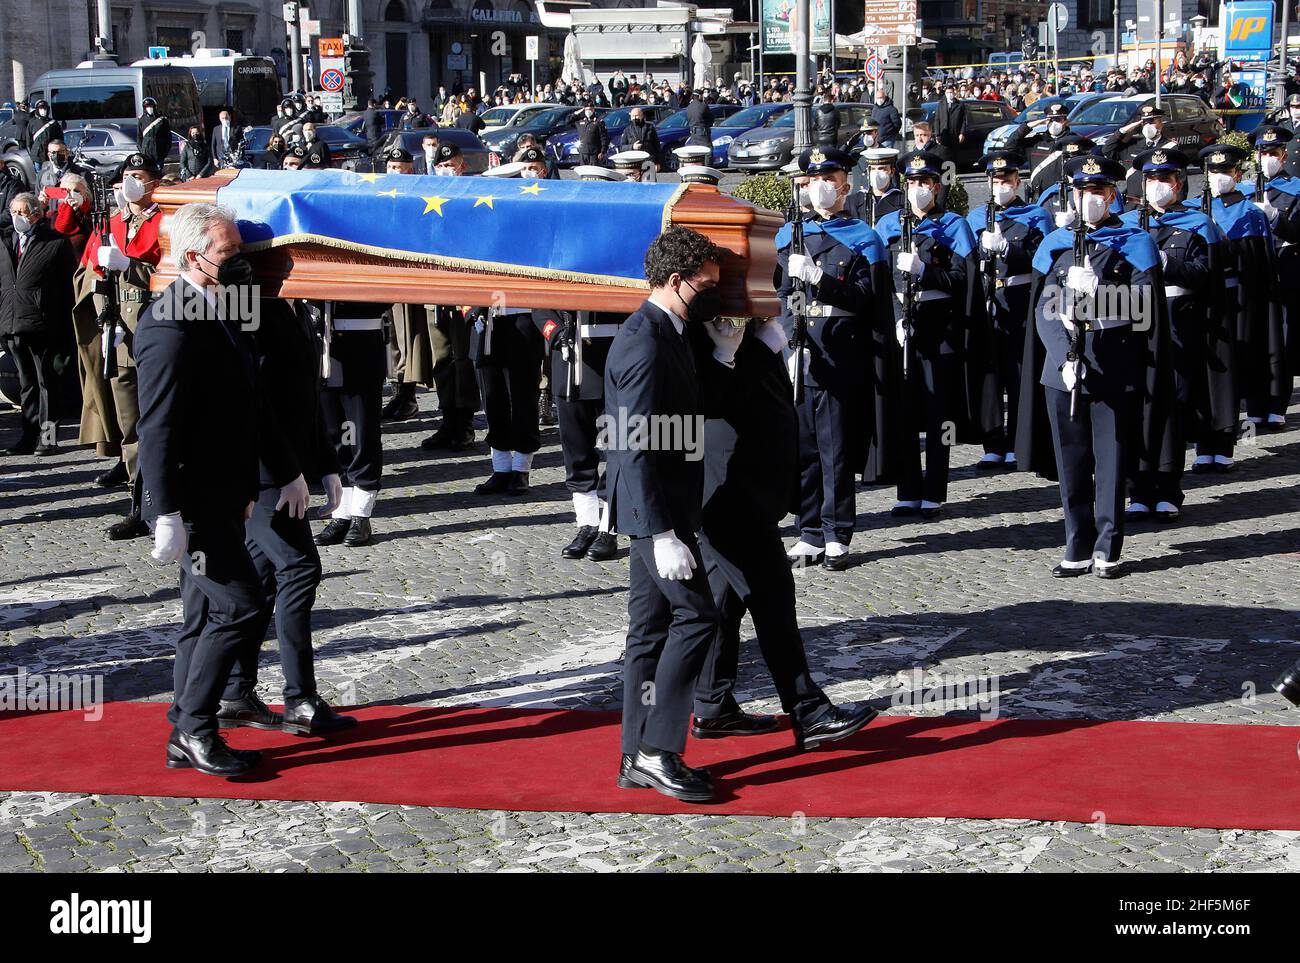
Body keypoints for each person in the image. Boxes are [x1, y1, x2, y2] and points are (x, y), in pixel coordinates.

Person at [687, 310, 879, 749]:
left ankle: (712, 705)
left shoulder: (747, 318)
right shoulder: (711, 320)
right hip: (729, 485)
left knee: (725, 598)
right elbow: (717, 393)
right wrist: (760, 347)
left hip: (749, 482)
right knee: (772, 595)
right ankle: (807, 708)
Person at [136, 202, 265, 777]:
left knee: (200, 614)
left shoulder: (216, 308)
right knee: (240, 605)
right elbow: (157, 425)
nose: (239, 263)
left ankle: (181, 731)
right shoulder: (170, 324)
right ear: (194, 257)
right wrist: (164, 512)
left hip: (222, 493)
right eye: (229, 253)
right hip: (190, 501)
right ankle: (193, 725)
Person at [606, 226, 724, 803]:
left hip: (667, 507)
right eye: (705, 287)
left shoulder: (670, 329)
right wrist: (660, 533)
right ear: (675, 282)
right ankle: (657, 750)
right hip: (655, 514)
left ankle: (636, 752)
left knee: (649, 630)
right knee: (698, 617)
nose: (713, 297)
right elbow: (631, 446)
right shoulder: (645, 343)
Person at [1018, 154, 1174, 580]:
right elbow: (1043, 311)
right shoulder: (1056, 243)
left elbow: (1144, 310)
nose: (1089, 199)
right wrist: (1060, 357)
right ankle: (1076, 541)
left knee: (1109, 461)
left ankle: (1108, 543)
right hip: (1064, 371)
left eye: (1097, 192)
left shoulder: (1135, 242)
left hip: (1112, 366)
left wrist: (1101, 292)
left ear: (1112, 195)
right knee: (1071, 463)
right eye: (1082, 192)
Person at [215, 293, 357, 737]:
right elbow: (253, 404)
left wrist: (327, 464)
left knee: (260, 581)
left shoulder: (296, 307)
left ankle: (236, 694)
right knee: (299, 570)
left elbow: (304, 398)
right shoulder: (256, 307)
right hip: (264, 472)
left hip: (288, 466)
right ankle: (300, 699)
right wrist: (286, 472)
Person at [779, 147, 894, 568]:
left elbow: (868, 300)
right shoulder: (792, 234)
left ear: (845, 185)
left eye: (830, 178)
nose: (821, 188)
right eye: (814, 180)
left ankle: (836, 531)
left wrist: (820, 279)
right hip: (801, 351)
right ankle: (808, 530)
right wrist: (784, 345)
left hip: (841, 351)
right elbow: (778, 296)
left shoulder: (864, 238)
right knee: (803, 448)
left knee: (835, 448)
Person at [1121, 146, 1229, 521]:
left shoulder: (1198, 224)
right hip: (1134, 322)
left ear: (1179, 184)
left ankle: (1168, 488)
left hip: (1178, 320)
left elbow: (1206, 276)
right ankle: (1136, 489)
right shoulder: (1127, 224)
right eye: (1151, 180)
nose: (1157, 186)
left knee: (1172, 409)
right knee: (1135, 406)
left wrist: (1166, 263)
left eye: (1164, 180)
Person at [875, 150, 981, 519]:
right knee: (904, 412)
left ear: (936, 186)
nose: (919, 189)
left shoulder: (954, 226)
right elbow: (878, 281)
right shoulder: (889, 225)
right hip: (903, 326)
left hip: (939, 326)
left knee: (939, 414)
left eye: (925, 183)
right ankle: (907, 489)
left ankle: (935, 487)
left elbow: (963, 280)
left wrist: (924, 270)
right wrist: (894, 317)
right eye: (913, 183)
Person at [966, 150, 1051, 470]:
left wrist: (1009, 249)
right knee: (990, 374)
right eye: (996, 180)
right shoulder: (977, 218)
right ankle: (992, 442)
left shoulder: (1034, 216)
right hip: (989, 300)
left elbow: (1042, 260)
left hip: (1019, 298)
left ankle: (1018, 439)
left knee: (1018, 374)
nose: (1001, 185)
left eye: (1007, 180)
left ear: (1017, 181)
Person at [95, 153, 164, 541]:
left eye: (138, 176)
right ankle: (138, 502)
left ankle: (163, 497)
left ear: (154, 181)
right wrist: (106, 316)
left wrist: (129, 265)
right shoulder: (116, 222)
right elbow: (101, 277)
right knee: (130, 423)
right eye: (127, 176)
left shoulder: (164, 220)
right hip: (121, 333)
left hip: (155, 331)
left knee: (158, 419)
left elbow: (168, 274)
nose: (131, 183)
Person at [1196, 141, 1277, 467]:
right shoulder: (1194, 210)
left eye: (1225, 171)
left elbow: (1261, 267)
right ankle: (1204, 445)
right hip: (1201, 302)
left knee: (1231, 374)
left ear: (1237, 173)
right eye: (1214, 171)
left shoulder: (1249, 213)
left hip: (1238, 299)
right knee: (1204, 374)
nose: (1219, 177)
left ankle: (1229, 442)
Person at [0, 192, 75, 455]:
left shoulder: (55, 243)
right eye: (14, 212)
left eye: (23, 212)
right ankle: (28, 435)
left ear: (36, 214)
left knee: (47, 384)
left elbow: (68, 288)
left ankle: (49, 438)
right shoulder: (5, 241)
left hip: (44, 324)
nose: (18, 217)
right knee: (26, 384)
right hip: (12, 323)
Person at [420, 142, 480, 452]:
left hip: (463, 289)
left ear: (463, 166)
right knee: (441, 356)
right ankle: (447, 419)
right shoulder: (428, 198)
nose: (447, 170)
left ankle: (465, 422)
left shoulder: (473, 196)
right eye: (442, 166)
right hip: (435, 288)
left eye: (452, 165)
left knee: (462, 357)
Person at [1242, 126, 1299, 431]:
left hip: (1285, 273)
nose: (1267, 159)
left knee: (1284, 342)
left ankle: (1277, 403)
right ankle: (1255, 403)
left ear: (1284, 155)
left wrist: (1275, 217)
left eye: (1273, 153)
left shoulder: (1296, 190)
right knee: (1254, 341)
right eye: (1263, 153)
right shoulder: (1247, 191)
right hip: (1253, 275)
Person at [846, 147, 902, 226]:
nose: (876, 173)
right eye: (873, 169)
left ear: (892, 172)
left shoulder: (902, 200)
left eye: (881, 168)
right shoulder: (854, 201)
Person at [24, 100, 63, 175]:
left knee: (52, 176)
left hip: (51, 155)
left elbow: (60, 139)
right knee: (39, 176)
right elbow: (28, 141)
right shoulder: (32, 122)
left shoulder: (54, 123)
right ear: (37, 109)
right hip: (37, 155)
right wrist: (32, 155)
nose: (43, 110)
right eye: (41, 108)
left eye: (45, 108)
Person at [136, 97, 171, 168]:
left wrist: (164, 152)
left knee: (158, 170)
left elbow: (168, 137)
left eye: (151, 106)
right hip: (146, 150)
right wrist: (142, 149)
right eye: (147, 106)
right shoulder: (141, 120)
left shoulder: (162, 119)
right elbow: (139, 137)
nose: (149, 108)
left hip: (159, 150)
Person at [933, 85, 968, 153]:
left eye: (951, 92)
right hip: (944, 134)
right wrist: (937, 134)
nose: (949, 94)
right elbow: (937, 120)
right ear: (945, 94)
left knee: (954, 155)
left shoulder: (960, 104)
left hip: (955, 134)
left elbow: (963, 120)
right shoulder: (941, 104)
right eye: (948, 93)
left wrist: (962, 133)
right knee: (944, 154)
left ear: (954, 93)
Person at [575, 101, 609, 167]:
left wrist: (602, 151)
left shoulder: (598, 122)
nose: (588, 111)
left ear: (593, 110)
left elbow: (604, 138)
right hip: (583, 152)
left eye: (590, 109)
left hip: (594, 154)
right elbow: (568, 120)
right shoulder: (581, 121)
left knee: (594, 173)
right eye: (586, 109)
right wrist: (577, 112)